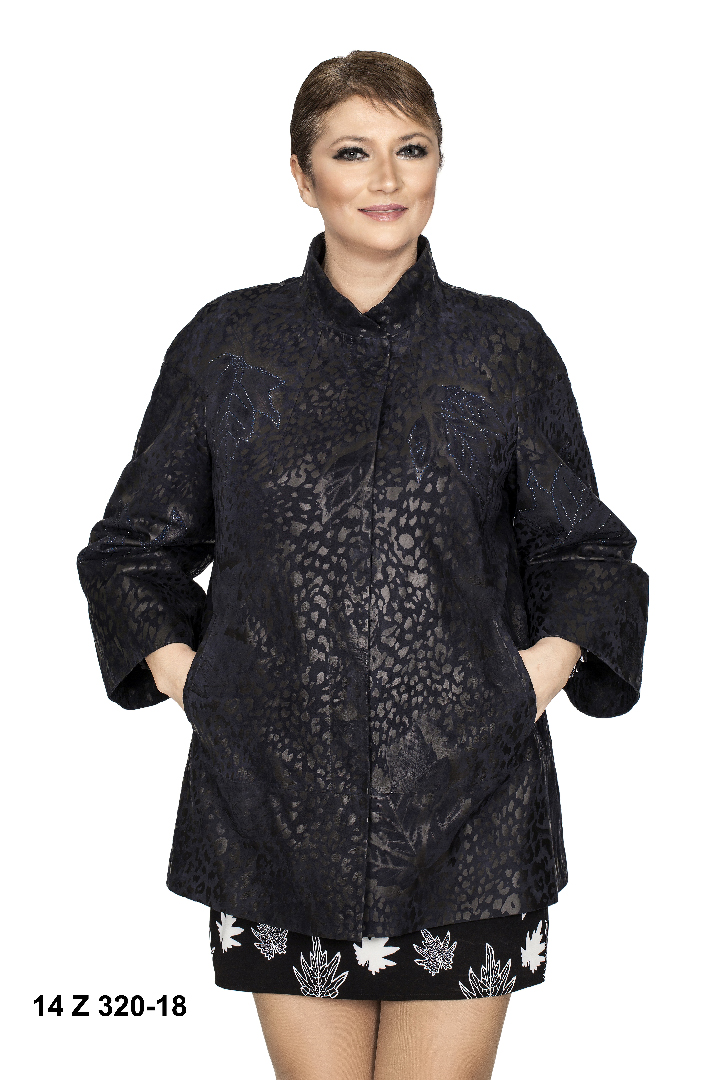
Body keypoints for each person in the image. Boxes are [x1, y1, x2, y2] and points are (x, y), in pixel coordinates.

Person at [77, 50, 649, 1080]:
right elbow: (131, 550)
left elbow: (586, 549)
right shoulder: (227, 346)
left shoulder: (503, 348)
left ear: (439, 166)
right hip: (274, 812)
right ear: (303, 176)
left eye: (410, 149)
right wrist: (196, 681)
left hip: (474, 811)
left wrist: (532, 677)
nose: (385, 179)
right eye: (352, 152)